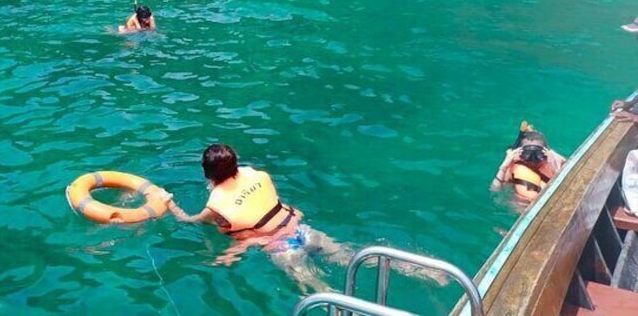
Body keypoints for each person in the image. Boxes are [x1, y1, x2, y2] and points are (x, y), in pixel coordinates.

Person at [163, 144, 446, 293]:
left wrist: (168, 204)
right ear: (236, 164)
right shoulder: (255, 174)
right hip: (303, 230)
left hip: (282, 249)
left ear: (208, 173)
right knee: (352, 257)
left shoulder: (216, 205)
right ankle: (427, 272)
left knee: (321, 289)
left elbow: (190, 221)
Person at [490, 121, 566, 204]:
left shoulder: (552, 160)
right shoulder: (513, 164)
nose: (533, 159)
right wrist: (504, 166)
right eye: (528, 153)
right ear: (520, 152)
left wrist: (557, 157)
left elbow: (573, 171)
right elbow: (495, 190)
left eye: (537, 154)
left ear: (545, 152)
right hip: (521, 204)